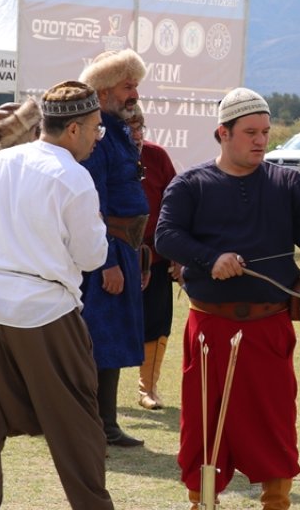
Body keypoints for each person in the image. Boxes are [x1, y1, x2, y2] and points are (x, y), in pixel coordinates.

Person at [155, 88, 300, 510]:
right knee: (203, 425)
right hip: (210, 331)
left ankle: (276, 503)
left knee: (273, 425)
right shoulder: (190, 184)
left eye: (265, 132)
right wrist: (209, 258)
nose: (260, 140)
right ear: (223, 132)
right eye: (250, 132)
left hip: (269, 328)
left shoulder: (286, 182)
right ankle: (202, 504)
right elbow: (166, 236)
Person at [0, 81, 112, 509]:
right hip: (46, 311)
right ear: (73, 129)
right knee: (77, 422)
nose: (98, 136)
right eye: (96, 127)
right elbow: (92, 256)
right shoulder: (74, 176)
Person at [78, 48, 151, 448]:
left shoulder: (117, 130)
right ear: (104, 91)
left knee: (114, 338)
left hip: (125, 247)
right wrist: (106, 259)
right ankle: (96, 424)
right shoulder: (98, 135)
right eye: (127, 86)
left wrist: (135, 256)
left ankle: (105, 422)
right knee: (99, 340)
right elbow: (95, 202)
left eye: (135, 85)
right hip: (105, 249)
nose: (134, 93)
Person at [127, 107, 181, 411]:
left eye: (140, 127)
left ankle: (148, 389)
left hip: (156, 255)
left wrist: (176, 255)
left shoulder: (157, 156)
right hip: (109, 254)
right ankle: (91, 389)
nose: (136, 135)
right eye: (129, 128)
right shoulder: (99, 156)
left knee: (158, 321)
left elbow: (174, 206)